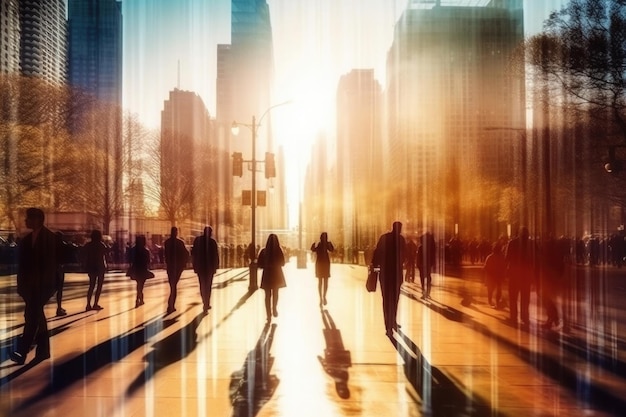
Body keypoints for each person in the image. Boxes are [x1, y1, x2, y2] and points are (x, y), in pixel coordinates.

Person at [10, 208, 61, 364]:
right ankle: (42, 351)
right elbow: (23, 266)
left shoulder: (50, 238)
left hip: (45, 285)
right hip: (30, 287)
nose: (26, 221)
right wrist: (22, 286)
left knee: (32, 316)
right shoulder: (26, 240)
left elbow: (52, 264)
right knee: (35, 316)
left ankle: (23, 351)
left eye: (29, 218)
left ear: (38, 219)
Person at [372, 221, 406, 338]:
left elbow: (376, 253)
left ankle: (389, 325)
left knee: (386, 300)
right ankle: (393, 322)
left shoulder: (384, 238)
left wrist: (375, 266)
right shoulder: (401, 240)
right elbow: (404, 256)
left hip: (385, 274)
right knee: (395, 299)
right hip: (396, 274)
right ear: (399, 229)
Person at [505, 226, 537, 327]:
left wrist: (506, 271)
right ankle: (524, 316)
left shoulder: (512, 243)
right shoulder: (532, 244)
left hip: (514, 274)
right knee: (525, 296)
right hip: (526, 274)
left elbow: (507, 258)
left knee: (513, 296)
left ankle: (513, 316)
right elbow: (536, 259)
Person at [258, 234, 286, 322]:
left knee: (267, 295)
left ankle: (268, 315)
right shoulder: (279, 251)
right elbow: (283, 263)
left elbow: (260, 264)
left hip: (267, 275)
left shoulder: (263, 251)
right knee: (276, 293)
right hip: (277, 274)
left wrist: (267, 265)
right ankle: (274, 308)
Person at [192, 226, 219, 314]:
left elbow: (193, 253)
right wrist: (216, 267)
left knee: (202, 285)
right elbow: (216, 255)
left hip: (200, 267)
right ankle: (206, 302)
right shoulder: (212, 242)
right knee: (208, 285)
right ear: (210, 233)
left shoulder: (198, 240)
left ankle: (204, 301)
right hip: (209, 267)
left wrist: (195, 265)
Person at [164, 226, 190, 314]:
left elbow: (166, 254)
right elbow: (186, 253)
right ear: (177, 232)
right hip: (178, 267)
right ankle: (171, 305)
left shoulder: (167, 242)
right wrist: (184, 263)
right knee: (174, 285)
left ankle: (170, 304)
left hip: (170, 266)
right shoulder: (180, 242)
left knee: (172, 285)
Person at [83, 229, 108, 311]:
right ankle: (95, 303)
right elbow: (105, 254)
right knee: (99, 286)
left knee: (91, 286)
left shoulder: (88, 245)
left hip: (91, 267)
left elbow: (84, 255)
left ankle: (88, 304)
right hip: (100, 267)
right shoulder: (101, 245)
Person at [127, 235, 153, 308]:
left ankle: (139, 298)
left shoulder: (133, 249)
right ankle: (139, 298)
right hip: (143, 269)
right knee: (141, 285)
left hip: (135, 269)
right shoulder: (146, 250)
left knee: (138, 284)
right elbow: (148, 261)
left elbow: (129, 259)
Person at [311, 232, 335, 306]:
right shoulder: (320, 244)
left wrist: (329, 244)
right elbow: (313, 249)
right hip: (322, 264)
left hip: (322, 264)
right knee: (322, 282)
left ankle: (323, 296)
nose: (324, 238)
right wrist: (313, 245)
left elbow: (332, 249)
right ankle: (322, 297)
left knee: (322, 282)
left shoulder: (324, 244)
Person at [483, 240, 506, 308]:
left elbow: (486, 267)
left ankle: (490, 301)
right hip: (499, 275)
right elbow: (504, 266)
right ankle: (497, 302)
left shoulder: (490, 257)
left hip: (491, 276)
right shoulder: (502, 257)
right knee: (499, 289)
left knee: (490, 290)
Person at [55, 231, 71, 316]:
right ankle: (59, 307)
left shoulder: (50, 246)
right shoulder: (63, 245)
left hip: (51, 268)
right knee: (59, 289)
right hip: (59, 268)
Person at [417, 229, 436, 299]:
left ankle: (424, 292)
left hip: (422, 265)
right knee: (428, 279)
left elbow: (418, 257)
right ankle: (427, 292)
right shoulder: (430, 248)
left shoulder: (421, 247)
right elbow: (432, 256)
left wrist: (418, 265)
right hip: (427, 265)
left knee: (423, 279)